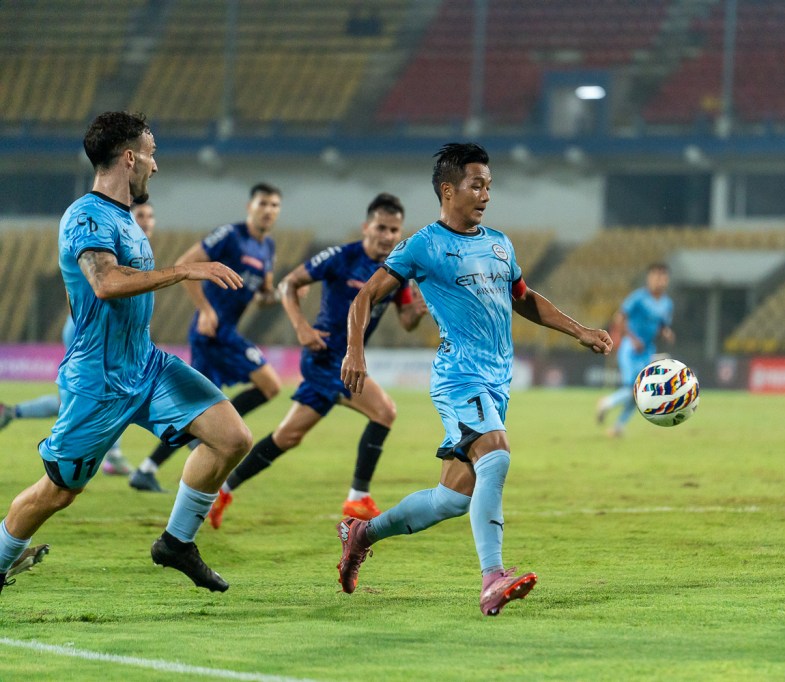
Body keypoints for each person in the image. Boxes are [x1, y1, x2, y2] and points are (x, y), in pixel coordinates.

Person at [336, 143, 613, 616]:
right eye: (476, 185)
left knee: (450, 499)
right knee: (497, 455)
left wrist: (580, 330)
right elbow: (364, 297)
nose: (486, 195)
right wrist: (355, 351)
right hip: (459, 377)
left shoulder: (500, 243)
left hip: (496, 382)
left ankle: (362, 532)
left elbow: (524, 297)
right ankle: (492, 578)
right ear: (448, 190)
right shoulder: (423, 245)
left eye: (488, 186)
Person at [0, 111, 252, 596]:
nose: (156, 166)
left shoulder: (124, 218)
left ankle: (176, 543)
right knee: (58, 492)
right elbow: (106, 282)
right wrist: (184, 271)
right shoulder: (85, 216)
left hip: (147, 366)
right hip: (99, 380)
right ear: (130, 158)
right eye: (152, 155)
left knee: (232, 437)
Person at [207, 193, 428, 528]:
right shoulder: (341, 257)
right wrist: (301, 327)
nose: (387, 236)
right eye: (381, 228)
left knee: (287, 436)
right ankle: (358, 498)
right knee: (384, 411)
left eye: (394, 230)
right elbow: (289, 284)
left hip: (343, 361)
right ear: (366, 227)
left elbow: (407, 322)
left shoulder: (397, 271)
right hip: (326, 356)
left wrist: (418, 311)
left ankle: (220, 490)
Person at [130, 184, 284, 493]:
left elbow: (263, 295)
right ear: (250, 207)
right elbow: (185, 264)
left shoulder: (268, 248)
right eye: (263, 203)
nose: (268, 210)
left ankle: (147, 469)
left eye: (274, 205)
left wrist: (280, 294)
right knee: (268, 385)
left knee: (198, 409)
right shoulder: (230, 235)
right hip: (211, 331)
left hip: (226, 332)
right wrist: (205, 309)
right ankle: (212, 434)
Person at [0, 203, 158, 476]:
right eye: (140, 215)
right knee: (110, 391)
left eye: (151, 216)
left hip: (105, 330)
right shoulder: (114, 240)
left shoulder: (136, 247)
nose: (147, 221)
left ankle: (12, 413)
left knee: (83, 399)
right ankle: (102, 455)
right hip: (91, 330)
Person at [596, 263, 675, 437]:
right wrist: (632, 339)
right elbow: (619, 318)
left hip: (647, 350)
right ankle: (606, 403)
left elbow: (662, 325)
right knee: (633, 388)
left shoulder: (667, 304)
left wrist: (666, 333)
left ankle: (618, 426)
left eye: (663, 277)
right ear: (649, 278)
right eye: (656, 276)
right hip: (630, 348)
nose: (660, 280)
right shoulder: (638, 298)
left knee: (642, 393)